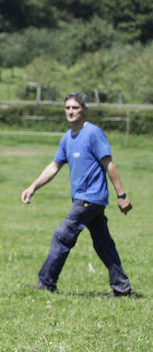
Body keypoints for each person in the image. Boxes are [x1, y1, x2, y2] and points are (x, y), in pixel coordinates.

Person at [20, 92, 136, 297]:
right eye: (67, 108)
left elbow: (109, 164)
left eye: (75, 107)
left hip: (90, 198)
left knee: (62, 235)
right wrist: (33, 187)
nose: (71, 112)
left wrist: (122, 195)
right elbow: (54, 166)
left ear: (84, 110)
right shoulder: (67, 137)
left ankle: (46, 282)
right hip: (86, 199)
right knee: (103, 243)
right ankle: (121, 287)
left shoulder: (93, 134)